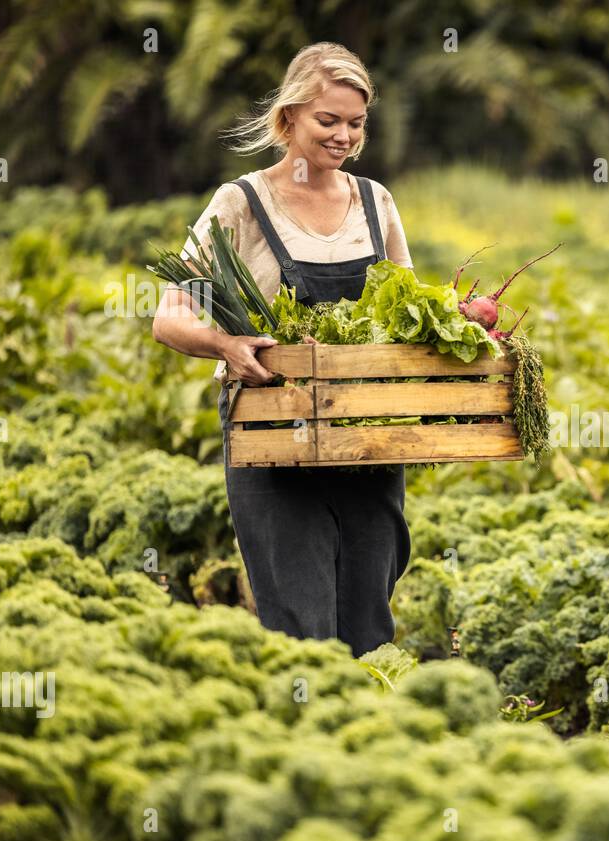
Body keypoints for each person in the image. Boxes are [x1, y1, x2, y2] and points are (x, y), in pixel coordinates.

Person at [151, 42, 412, 657]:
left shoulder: (375, 203)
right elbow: (169, 316)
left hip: (367, 441)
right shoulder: (240, 203)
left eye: (355, 123)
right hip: (274, 437)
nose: (343, 135)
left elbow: (407, 310)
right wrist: (226, 342)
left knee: (370, 624)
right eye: (329, 120)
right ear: (289, 115)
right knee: (301, 625)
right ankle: (304, 738)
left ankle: (374, 745)